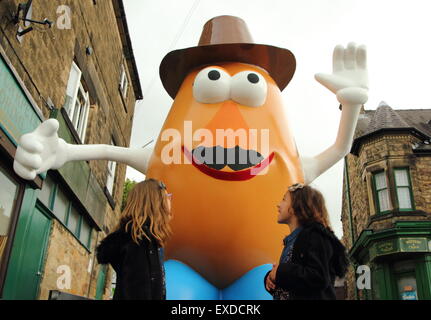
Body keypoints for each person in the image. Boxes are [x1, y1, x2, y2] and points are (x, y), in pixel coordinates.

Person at [264, 183, 348, 300]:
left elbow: (318, 276)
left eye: (284, 200)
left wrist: (280, 272)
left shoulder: (316, 236)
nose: (278, 205)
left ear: (297, 206)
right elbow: (294, 281)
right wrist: (270, 278)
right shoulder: (291, 241)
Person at [96, 179, 173, 300]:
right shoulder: (136, 241)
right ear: (155, 202)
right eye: (167, 196)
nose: (170, 200)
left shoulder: (151, 240)